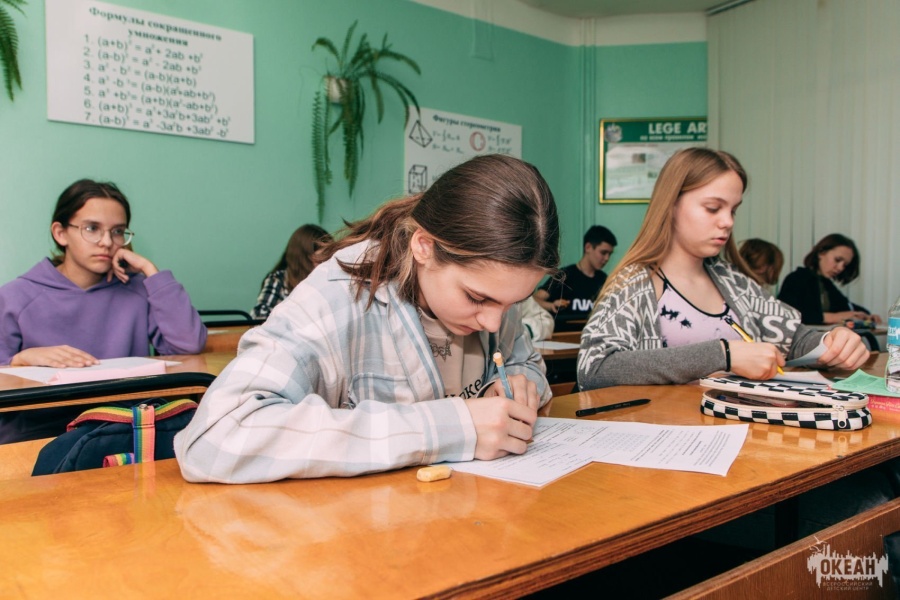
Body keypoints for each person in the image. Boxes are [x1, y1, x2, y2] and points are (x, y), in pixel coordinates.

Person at [175, 154, 560, 483]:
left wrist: (519, 383)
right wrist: (451, 428)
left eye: (512, 303)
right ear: (424, 247)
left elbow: (525, 363)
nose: (493, 323)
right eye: (476, 298)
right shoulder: (338, 295)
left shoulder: (495, 294)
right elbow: (216, 436)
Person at [578, 148, 868, 390]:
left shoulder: (732, 281)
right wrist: (723, 354)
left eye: (733, 210)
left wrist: (832, 341)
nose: (728, 221)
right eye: (713, 208)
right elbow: (595, 368)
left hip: (738, 431)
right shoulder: (634, 283)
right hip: (667, 435)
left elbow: (796, 338)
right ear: (671, 205)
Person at [0, 179, 207, 442]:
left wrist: (150, 271)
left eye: (118, 231)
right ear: (60, 233)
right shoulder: (15, 295)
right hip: (39, 434)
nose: (107, 242)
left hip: (124, 427)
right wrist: (20, 359)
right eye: (92, 228)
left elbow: (189, 344)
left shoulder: (138, 290)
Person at [778, 233, 881, 326]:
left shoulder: (826, 284)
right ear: (821, 253)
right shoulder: (796, 279)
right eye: (837, 260)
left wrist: (867, 316)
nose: (840, 268)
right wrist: (834, 317)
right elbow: (788, 315)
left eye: (845, 265)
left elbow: (846, 306)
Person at [533, 225, 617, 331]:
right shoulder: (564, 275)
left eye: (610, 254)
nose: (607, 258)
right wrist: (551, 305)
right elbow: (534, 299)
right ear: (588, 247)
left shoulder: (604, 279)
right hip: (563, 336)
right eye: (603, 253)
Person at [250, 224, 332, 319]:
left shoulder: (327, 281)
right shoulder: (279, 280)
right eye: (320, 258)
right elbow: (259, 317)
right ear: (303, 259)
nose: (326, 263)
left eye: (329, 257)